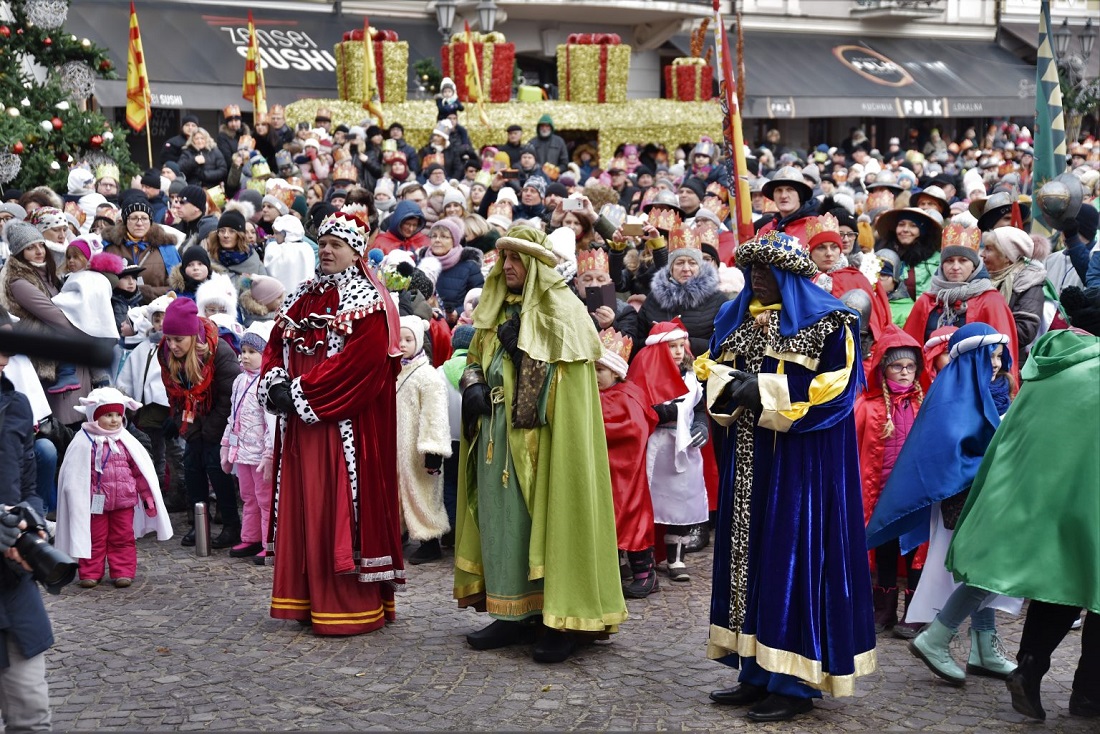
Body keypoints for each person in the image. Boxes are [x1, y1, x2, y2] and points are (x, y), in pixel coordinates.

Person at [701, 231, 875, 722]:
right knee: (748, 559)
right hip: (749, 458)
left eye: (766, 271)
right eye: (753, 270)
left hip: (803, 467)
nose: (758, 278)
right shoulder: (740, 320)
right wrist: (727, 384)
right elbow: (715, 370)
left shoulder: (831, 322)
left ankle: (793, 681)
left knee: (793, 561)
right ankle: (756, 670)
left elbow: (836, 392)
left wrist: (764, 389)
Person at [454, 225, 627, 663]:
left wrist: (522, 356)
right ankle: (513, 611)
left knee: (552, 523)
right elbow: (474, 358)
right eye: (503, 258)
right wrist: (472, 383)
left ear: (534, 264)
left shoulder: (562, 310)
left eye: (516, 259)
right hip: (495, 434)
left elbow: (565, 389)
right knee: (504, 523)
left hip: (545, 443)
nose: (507, 267)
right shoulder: (497, 306)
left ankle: (560, 619)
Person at [944, 299, 1099, 721]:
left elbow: (1013, 437)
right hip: (1091, 502)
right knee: (1095, 592)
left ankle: (1029, 668)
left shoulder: (1048, 368)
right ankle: (1089, 696)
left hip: (1045, 502)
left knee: (1058, 587)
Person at [258, 210, 405, 635]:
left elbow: (362, 364)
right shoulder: (302, 294)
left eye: (335, 245)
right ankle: (305, 600)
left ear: (355, 251)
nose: (325, 251)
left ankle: (345, 607)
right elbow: (274, 345)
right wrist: (275, 381)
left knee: (336, 509)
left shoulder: (369, 299)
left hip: (342, 429)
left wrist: (300, 392)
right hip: (301, 428)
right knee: (305, 508)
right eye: (322, 244)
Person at [866, 323, 1020, 687]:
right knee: (987, 569)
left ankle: (983, 647)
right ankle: (937, 638)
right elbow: (948, 452)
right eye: (990, 356)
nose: (996, 364)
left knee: (983, 567)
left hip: (992, 494)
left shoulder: (995, 392)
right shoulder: (953, 396)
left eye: (1000, 356)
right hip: (966, 498)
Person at [55, 388, 171, 588]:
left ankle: (123, 571)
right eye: (108, 415)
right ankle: (90, 572)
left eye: (118, 414)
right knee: (94, 538)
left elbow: (139, 471)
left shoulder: (126, 441)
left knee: (123, 537)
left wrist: (147, 495)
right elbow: (74, 475)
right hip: (94, 504)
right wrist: (77, 499)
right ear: (95, 416)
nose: (115, 420)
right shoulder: (84, 442)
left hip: (124, 502)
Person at [855, 326, 925, 638]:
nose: (905, 372)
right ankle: (882, 609)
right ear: (884, 369)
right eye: (897, 366)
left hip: (914, 496)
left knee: (913, 552)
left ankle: (915, 611)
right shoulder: (868, 406)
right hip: (881, 494)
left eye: (910, 366)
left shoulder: (924, 405)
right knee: (884, 551)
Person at [0, 337, 54, 734]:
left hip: (12, 586)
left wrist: (29, 520)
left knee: (32, 716)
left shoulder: (15, 404)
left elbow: (28, 486)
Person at [628, 321, 708, 583]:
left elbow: (697, 406)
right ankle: (643, 555)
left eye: (680, 346)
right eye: (671, 347)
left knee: (680, 503)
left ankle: (676, 558)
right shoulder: (645, 377)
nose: (677, 352)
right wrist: (663, 413)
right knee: (649, 502)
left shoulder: (691, 376)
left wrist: (700, 425)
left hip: (683, 449)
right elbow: (638, 409)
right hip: (655, 447)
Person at [158, 297, 241, 549]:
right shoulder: (166, 354)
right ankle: (198, 523)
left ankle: (231, 525)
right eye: (169, 338)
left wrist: (210, 431)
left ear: (193, 336)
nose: (172, 345)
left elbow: (229, 397)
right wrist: (188, 428)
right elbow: (174, 396)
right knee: (192, 464)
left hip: (220, 417)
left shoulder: (220, 352)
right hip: (193, 417)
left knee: (216, 465)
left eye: (178, 340)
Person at [903, 223, 1019, 379]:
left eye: (963, 260)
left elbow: (1004, 355)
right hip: (928, 386)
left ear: (974, 266)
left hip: (977, 386)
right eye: (949, 260)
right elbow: (908, 350)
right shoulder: (927, 301)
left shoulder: (991, 301)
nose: (955, 267)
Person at [594, 328, 659, 598]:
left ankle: (646, 573)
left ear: (616, 372)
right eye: (592, 369)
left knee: (631, 519)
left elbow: (635, 429)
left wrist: (597, 431)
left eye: (600, 370)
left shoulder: (627, 395)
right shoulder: (591, 395)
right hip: (601, 471)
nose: (594, 375)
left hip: (625, 475)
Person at [394, 316, 452, 565]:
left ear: (419, 342)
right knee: (397, 490)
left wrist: (433, 449)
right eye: (400, 339)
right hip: (398, 448)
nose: (404, 344)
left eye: (409, 339)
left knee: (423, 493)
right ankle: (400, 534)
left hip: (419, 448)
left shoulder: (428, 376)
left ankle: (430, 543)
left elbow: (435, 414)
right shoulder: (395, 371)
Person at [219, 321, 275, 563]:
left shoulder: (267, 382)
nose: (246, 357)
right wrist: (226, 446)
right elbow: (232, 416)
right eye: (243, 352)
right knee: (248, 496)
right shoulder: (239, 381)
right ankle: (251, 537)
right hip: (242, 451)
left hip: (261, 454)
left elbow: (272, 422)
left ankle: (270, 542)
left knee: (265, 499)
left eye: (253, 352)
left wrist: (270, 454)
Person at [103, 197, 182, 304]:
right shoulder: (110, 247)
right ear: (126, 221)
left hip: (157, 314)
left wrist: (147, 292)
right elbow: (102, 285)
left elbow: (177, 289)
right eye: (134, 218)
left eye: (144, 218)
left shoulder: (166, 248)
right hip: (118, 312)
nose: (139, 223)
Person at [981, 226, 1047, 352]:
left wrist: (981, 334)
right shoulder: (981, 280)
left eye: (989, 249)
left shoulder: (1027, 283)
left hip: (1009, 361)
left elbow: (1024, 331)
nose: (982, 254)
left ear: (1007, 257)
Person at [754, 166, 817, 244]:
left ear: (800, 195)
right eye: (779, 190)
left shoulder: (815, 228)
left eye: (790, 190)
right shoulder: (766, 230)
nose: (783, 196)